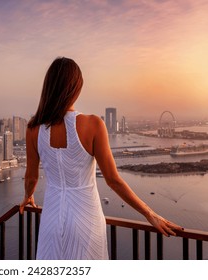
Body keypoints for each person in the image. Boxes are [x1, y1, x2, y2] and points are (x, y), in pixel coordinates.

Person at [19, 57, 183, 260]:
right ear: (75, 88)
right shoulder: (93, 124)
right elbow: (113, 180)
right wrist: (149, 213)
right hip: (86, 219)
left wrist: (28, 196)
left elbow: (31, 177)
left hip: (51, 218)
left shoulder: (33, 128)